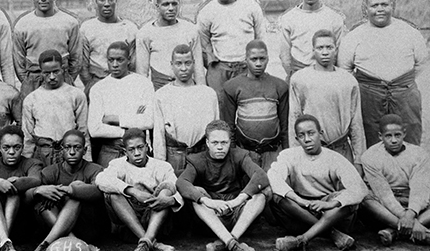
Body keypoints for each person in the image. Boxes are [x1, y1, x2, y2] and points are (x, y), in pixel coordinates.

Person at [338, 0, 427, 146]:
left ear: (392, 5)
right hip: (369, 95)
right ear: (366, 8)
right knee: (370, 138)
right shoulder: (354, 36)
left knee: (410, 135)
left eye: (384, 4)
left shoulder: (409, 31)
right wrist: (371, 87)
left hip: (404, 93)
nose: (380, 9)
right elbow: (345, 68)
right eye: (374, 5)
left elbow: (420, 63)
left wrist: (399, 84)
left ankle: (408, 170)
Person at [268, 115, 368, 251]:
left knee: (350, 201)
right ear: (297, 139)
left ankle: (301, 239)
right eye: (301, 135)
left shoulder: (334, 157)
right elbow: (274, 176)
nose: (307, 139)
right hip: (301, 212)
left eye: (311, 133)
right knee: (276, 195)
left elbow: (359, 188)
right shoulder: (289, 155)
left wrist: (331, 204)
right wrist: (300, 201)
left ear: (320, 134)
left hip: (329, 212)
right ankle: (332, 234)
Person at [176, 121, 269, 251]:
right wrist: (209, 201)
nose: (220, 147)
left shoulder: (240, 155)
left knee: (261, 194)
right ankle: (234, 244)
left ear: (230, 142)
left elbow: (261, 175)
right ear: (207, 143)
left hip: (238, 214)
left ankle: (226, 242)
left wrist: (238, 200)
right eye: (215, 142)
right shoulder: (196, 160)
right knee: (197, 193)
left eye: (224, 142)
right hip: (212, 217)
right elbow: (182, 182)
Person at [361, 114, 430, 250]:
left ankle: (394, 231)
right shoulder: (370, 156)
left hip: (412, 201)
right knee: (364, 199)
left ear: (404, 133)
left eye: (397, 135)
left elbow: (419, 189)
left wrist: (410, 214)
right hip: (386, 206)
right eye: (388, 136)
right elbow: (383, 194)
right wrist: (405, 216)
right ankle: (427, 236)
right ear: (380, 136)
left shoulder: (418, 153)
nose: (394, 140)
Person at [95, 128, 183, 251]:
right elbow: (100, 180)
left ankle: (144, 246)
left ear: (147, 146)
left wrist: (170, 200)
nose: (137, 153)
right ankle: (152, 245)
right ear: (125, 152)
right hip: (128, 226)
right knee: (113, 193)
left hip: (155, 222)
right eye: (131, 149)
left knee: (166, 190)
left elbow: (177, 187)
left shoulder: (162, 166)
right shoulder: (117, 164)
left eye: (140, 147)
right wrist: (132, 191)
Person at [21, 130, 104, 251]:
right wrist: (38, 191)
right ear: (61, 150)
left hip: (86, 226)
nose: (72, 152)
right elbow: (26, 200)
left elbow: (98, 192)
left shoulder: (94, 169)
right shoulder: (50, 171)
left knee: (76, 196)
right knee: (42, 201)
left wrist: (69, 190)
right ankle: (80, 244)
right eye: (67, 147)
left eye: (77, 148)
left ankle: (41, 249)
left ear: (84, 150)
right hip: (54, 225)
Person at [289, 30, 365, 167]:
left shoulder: (348, 80)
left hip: (341, 150)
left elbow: (356, 123)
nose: (325, 52)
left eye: (329, 47)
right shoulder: (300, 79)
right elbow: (294, 118)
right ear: (313, 50)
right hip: (312, 151)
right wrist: (295, 156)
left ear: (336, 49)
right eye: (320, 48)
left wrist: (359, 160)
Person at [196, 0, 266, 98]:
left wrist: (254, 65)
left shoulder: (250, 7)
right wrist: (213, 65)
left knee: (248, 105)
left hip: (246, 67)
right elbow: (203, 43)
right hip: (220, 69)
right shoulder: (206, 12)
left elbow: (260, 38)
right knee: (221, 108)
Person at [221, 40, 289, 171]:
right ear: (245, 59)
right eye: (253, 59)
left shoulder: (279, 86)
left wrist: (286, 155)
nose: (258, 63)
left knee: (273, 186)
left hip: (272, 151)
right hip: (245, 151)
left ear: (268, 59)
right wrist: (233, 155)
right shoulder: (232, 86)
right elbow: (228, 125)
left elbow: (284, 126)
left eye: (262, 59)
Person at [153, 44, 219, 172]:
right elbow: (159, 135)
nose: (183, 68)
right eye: (178, 64)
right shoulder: (162, 95)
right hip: (175, 157)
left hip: (202, 156)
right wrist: (160, 166)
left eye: (188, 63)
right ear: (171, 65)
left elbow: (215, 131)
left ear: (194, 64)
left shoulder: (208, 94)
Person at [88, 42, 155, 168]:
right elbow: (95, 129)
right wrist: (129, 128)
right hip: (110, 150)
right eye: (111, 60)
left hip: (138, 150)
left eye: (120, 60)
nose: (114, 64)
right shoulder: (98, 88)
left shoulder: (143, 84)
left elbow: (149, 121)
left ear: (129, 60)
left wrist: (115, 119)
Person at [13, 0, 81, 99]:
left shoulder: (70, 22)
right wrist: (29, 82)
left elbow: (76, 59)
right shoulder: (22, 25)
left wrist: (65, 78)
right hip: (33, 82)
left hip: (62, 80)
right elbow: (19, 62)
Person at [22, 49, 90, 167]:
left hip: (70, 153)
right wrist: (25, 164)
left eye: (56, 71)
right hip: (43, 154)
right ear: (41, 72)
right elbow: (28, 136)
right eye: (47, 73)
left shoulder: (76, 95)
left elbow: (83, 131)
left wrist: (88, 162)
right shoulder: (31, 99)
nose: (52, 77)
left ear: (63, 69)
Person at [137, 0, 206, 90]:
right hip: (159, 86)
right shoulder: (145, 33)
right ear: (157, 6)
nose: (171, 8)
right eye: (165, 4)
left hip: (186, 86)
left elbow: (198, 68)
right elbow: (142, 72)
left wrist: (201, 91)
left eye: (174, 4)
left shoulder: (190, 29)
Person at [278, 0, 346, 78]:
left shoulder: (334, 18)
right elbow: (284, 55)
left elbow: (340, 52)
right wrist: (293, 75)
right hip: (299, 72)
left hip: (327, 73)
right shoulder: (288, 18)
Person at [79, 0, 138, 96]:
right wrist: (91, 85)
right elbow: (83, 65)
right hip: (96, 82)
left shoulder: (130, 28)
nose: (106, 4)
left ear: (116, 1)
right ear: (96, 2)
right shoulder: (87, 28)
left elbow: (133, 64)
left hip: (123, 84)